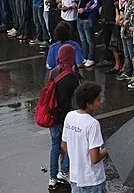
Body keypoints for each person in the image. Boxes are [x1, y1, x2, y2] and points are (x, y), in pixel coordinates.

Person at [61, 82, 108, 193]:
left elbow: (64, 144)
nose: (100, 102)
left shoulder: (69, 116)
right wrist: (107, 151)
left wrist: (77, 158)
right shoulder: (92, 124)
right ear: (88, 104)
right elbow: (95, 158)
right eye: (98, 100)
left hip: (75, 178)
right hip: (93, 180)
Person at [47, 44, 82, 190]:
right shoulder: (72, 76)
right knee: (70, 145)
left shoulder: (54, 72)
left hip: (53, 115)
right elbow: (76, 98)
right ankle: (65, 170)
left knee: (55, 146)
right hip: (66, 117)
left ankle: (52, 177)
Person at [74, 0, 99, 68]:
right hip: (79, 18)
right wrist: (75, 4)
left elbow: (96, 4)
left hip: (88, 19)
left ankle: (91, 58)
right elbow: (78, 1)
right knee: (82, 39)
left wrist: (85, 9)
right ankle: (84, 56)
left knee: (90, 39)